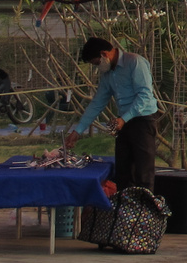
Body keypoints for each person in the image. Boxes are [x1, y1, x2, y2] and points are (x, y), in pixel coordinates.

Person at [64, 37, 160, 192]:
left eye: (96, 63)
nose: (97, 67)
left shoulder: (135, 62)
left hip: (143, 120)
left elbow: (144, 96)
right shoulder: (108, 74)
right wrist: (78, 131)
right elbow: (97, 103)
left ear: (104, 54)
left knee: (143, 173)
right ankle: (123, 210)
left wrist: (124, 119)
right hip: (123, 122)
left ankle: (144, 211)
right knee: (123, 173)